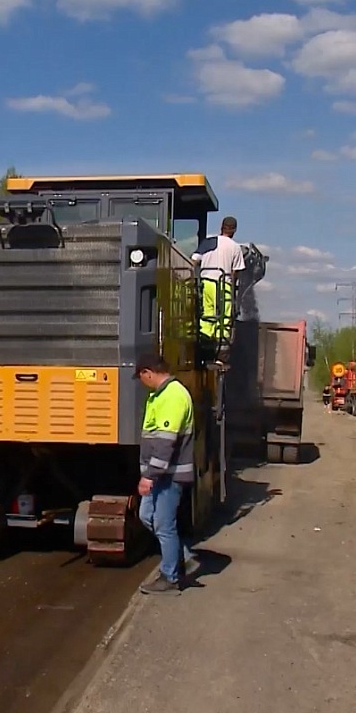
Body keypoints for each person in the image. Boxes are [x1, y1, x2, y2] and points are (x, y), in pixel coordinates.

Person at [133, 353, 201, 595]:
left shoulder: (173, 396)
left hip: (169, 475)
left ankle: (170, 577)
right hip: (161, 473)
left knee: (163, 524)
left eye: (141, 377)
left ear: (148, 372)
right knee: (146, 515)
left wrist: (149, 476)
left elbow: (165, 442)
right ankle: (183, 555)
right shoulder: (159, 395)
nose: (142, 382)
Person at [191, 216, 246, 362]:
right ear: (234, 230)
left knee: (208, 314)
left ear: (221, 227)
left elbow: (194, 260)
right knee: (224, 317)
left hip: (206, 283)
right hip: (223, 285)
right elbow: (236, 271)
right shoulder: (235, 247)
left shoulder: (208, 242)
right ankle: (221, 355)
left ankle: (205, 348)